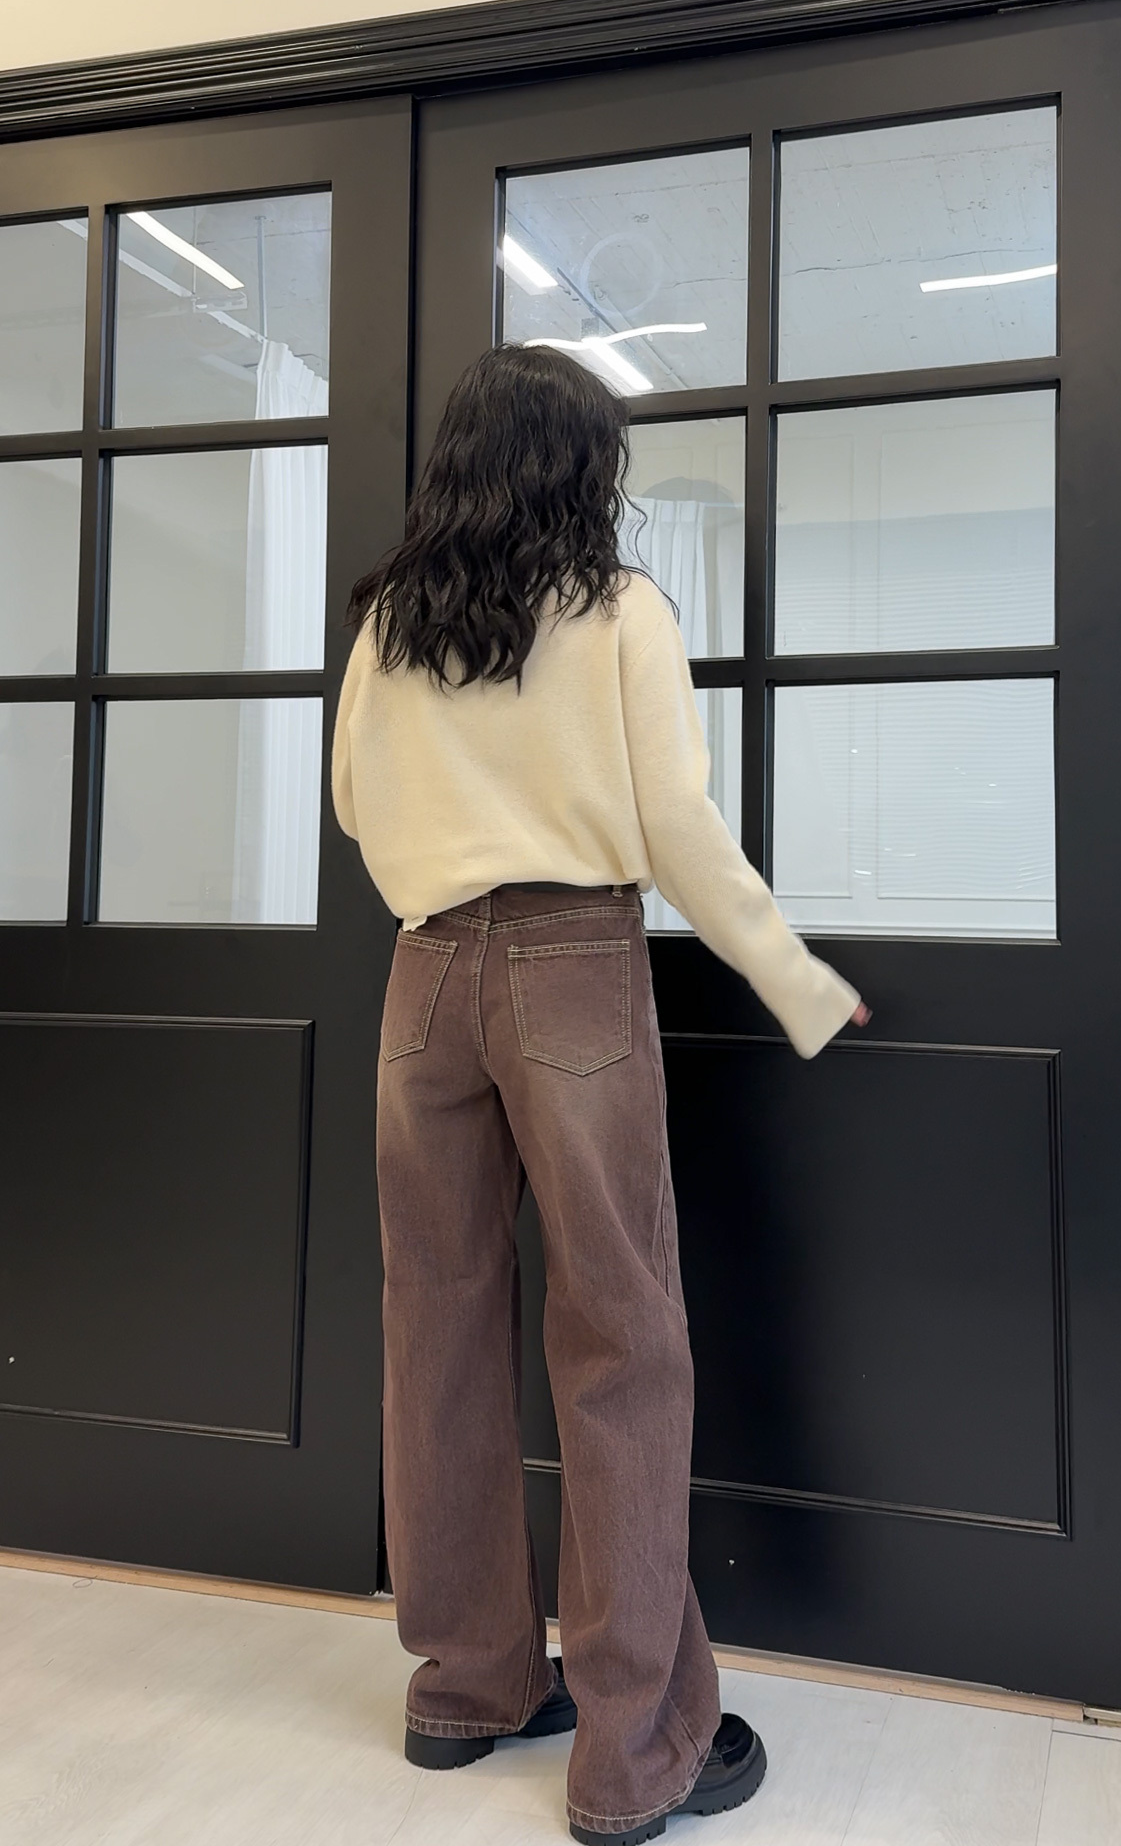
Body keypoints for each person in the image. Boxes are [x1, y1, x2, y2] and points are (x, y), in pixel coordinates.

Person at [332, 344, 868, 1846]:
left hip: (423, 975)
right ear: (584, 465)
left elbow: (357, 805)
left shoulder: (391, 622)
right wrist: (796, 982)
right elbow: (677, 824)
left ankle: (465, 1686)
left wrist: (452, 861)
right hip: (569, 965)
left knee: (435, 1326)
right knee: (622, 1337)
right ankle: (635, 1753)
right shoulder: (618, 609)